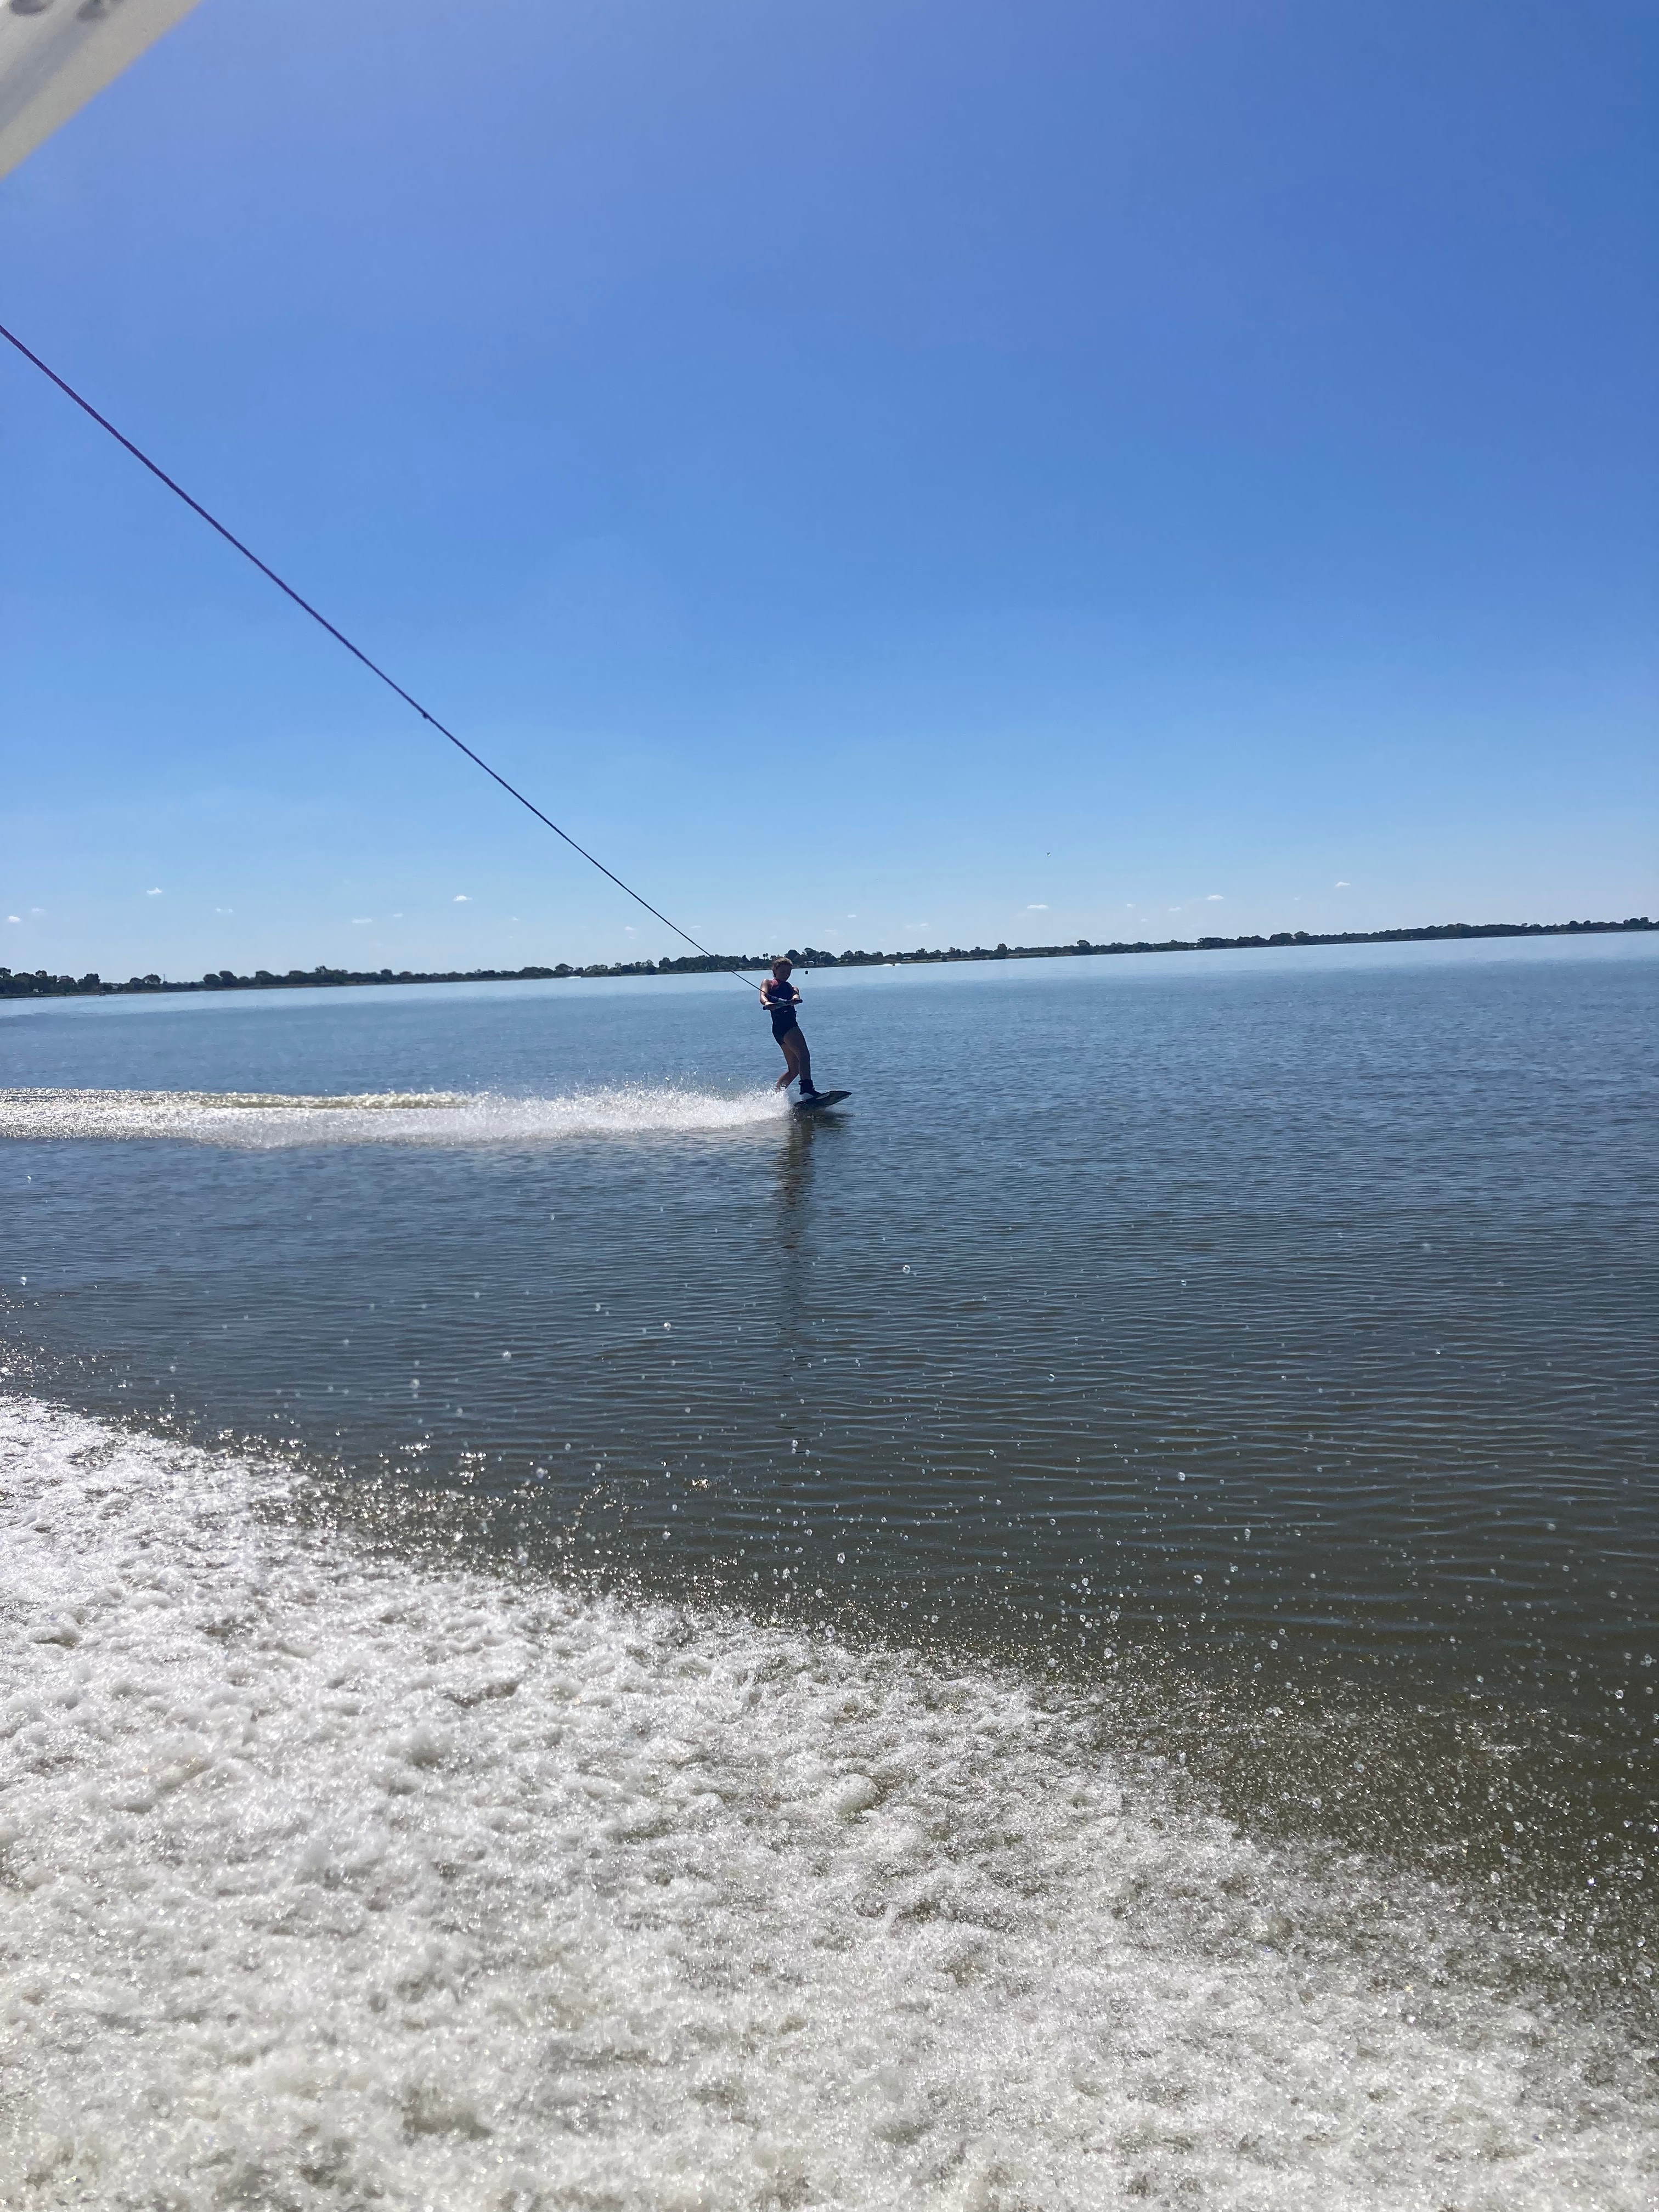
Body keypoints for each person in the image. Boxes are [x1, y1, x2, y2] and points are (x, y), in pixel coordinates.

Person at [759, 958, 820, 1099]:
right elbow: (762, 996)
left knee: (794, 1069)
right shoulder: (768, 983)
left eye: (789, 972)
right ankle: (807, 1091)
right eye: (783, 971)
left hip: (782, 1030)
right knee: (804, 1055)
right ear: (775, 971)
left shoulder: (792, 988)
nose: (786, 974)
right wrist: (768, 1003)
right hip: (786, 1026)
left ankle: (775, 1097)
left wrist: (795, 999)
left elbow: (796, 995)